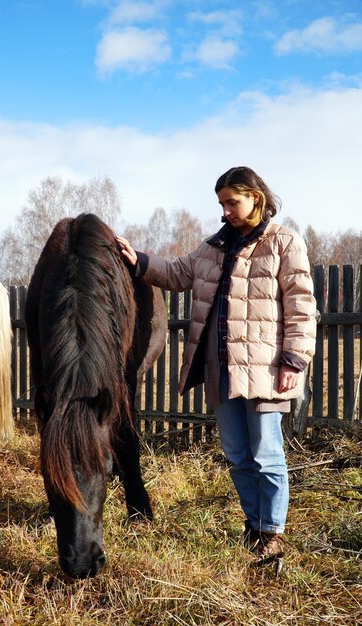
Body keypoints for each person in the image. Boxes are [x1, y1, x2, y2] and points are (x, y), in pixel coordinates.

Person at [116, 166, 317, 561]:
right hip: (220, 370)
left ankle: (272, 532)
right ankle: (254, 525)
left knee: (267, 454)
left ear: (255, 197)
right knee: (239, 455)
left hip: (265, 369)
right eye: (221, 203)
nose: (225, 211)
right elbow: (175, 273)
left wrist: (294, 359)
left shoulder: (284, 242)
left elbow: (302, 307)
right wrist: (137, 260)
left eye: (232, 202)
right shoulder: (212, 248)